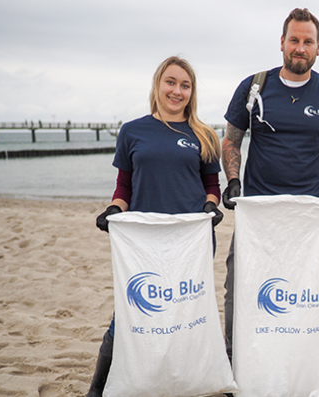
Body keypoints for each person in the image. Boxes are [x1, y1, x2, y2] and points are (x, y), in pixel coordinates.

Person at [221, 7, 319, 362]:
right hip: (258, 214)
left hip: (310, 217)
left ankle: (301, 358)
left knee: (307, 289)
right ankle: (236, 360)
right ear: (282, 42)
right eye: (294, 40)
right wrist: (233, 181)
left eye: (307, 41)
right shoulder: (255, 86)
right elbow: (231, 140)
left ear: (318, 46)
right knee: (240, 284)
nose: (300, 47)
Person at [86, 56, 223, 397]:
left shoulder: (203, 135)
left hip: (191, 239)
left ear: (192, 93)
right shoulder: (133, 131)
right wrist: (113, 210)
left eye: (185, 85)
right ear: (158, 85)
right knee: (129, 316)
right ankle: (96, 390)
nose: (177, 91)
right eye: (171, 82)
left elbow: (212, 186)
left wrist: (211, 206)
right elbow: (124, 188)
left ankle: (203, 382)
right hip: (144, 242)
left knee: (191, 312)